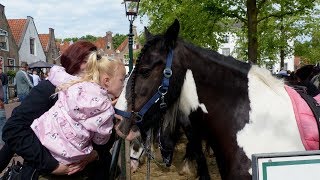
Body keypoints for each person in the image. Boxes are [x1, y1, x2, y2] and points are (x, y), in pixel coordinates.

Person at [0, 41, 116, 179]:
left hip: (91, 172)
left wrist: (95, 153)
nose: (94, 66)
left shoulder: (97, 95)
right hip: (48, 173)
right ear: (76, 63)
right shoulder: (49, 89)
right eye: (88, 61)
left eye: (96, 60)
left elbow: (107, 134)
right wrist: (52, 166)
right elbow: (14, 129)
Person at [30, 52, 125, 177]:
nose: (123, 84)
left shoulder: (75, 84)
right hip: (67, 157)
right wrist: (109, 115)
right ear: (106, 80)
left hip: (43, 136)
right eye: (122, 80)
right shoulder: (106, 109)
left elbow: (57, 76)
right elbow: (101, 139)